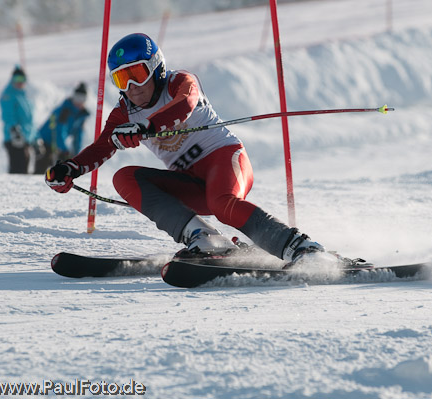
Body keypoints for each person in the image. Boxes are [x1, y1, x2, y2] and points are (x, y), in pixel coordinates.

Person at [45, 33, 326, 265]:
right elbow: (101, 147)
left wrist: (146, 127)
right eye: (121, 80)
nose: (132, 87)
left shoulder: (180, 82)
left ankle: (299, 246)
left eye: (138, 74)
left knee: (222, 202)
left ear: (156, 68)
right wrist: (70, 169)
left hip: (225, 160)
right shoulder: (124, 113)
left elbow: (185, 104)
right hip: (190, 182)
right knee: (124, 177)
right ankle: (205, 238)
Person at [34, 82, 91, 174]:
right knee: (42, 169)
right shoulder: (64, 110)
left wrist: (76, 155)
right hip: (46, 140)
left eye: (82, 98)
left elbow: (78, 136)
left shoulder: (81, 115)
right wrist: (65, 150)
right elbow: (60, 130)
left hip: (58, 144)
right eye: (77, 97)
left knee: (61, 170)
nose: (79, 102)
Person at [0, 65, 35, 174]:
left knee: (25, 166)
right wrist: (14, 129)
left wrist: (34, 135)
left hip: (26, 137)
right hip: (14, 138)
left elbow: (29, 119)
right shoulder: (9, 94)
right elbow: (8, 115)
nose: (19, 82)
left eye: (22, 79)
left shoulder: (25, 95)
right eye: (17, 79)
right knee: (17, 168)